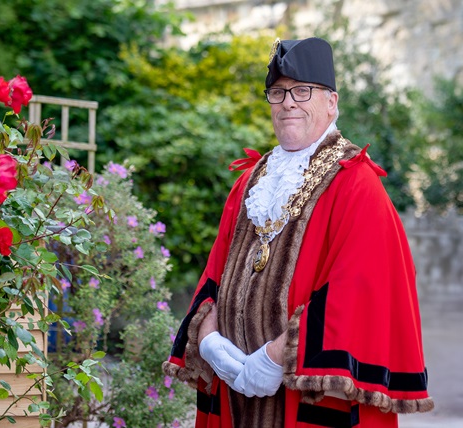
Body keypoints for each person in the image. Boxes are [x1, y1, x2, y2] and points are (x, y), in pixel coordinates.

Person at [163, 37, 434, 427]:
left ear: (331, 101)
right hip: (233, 391)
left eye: (302, 91)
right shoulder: (250, 181)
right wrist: (208, 339)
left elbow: (357, 292)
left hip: (303, 400)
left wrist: (276, 357)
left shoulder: (356, 183)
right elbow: (216, 272)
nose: (288, 102)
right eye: (278, 92)